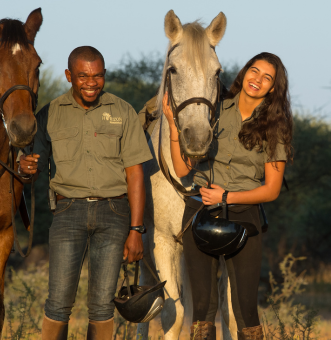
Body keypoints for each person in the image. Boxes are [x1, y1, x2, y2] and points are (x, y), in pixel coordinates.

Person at [18, 46, 151, 340]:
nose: (92, 83)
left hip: (115, 213)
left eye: (98, 76)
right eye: (83, 76)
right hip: (68, 213)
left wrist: (136, 229)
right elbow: (33, 169)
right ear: (69, 76)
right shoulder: (49, 114)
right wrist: (25, 168)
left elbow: (135, 174)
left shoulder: (123, 111)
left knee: (103, 306)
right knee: (59, 303)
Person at [161, 52, 293, 340]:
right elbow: (184, 168)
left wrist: (227, 197)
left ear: (273, 87)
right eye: (254, 71)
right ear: (244, 73)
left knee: (246, 310)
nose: (257, 80)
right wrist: (173, 126)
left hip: (244, 215)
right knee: (203, 311)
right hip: (199, 211)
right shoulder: (213, 110)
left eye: (267, 77)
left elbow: (271, 190)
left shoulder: (275, 127)